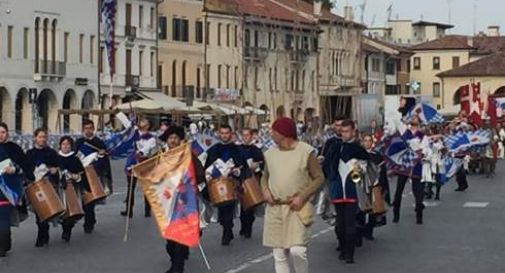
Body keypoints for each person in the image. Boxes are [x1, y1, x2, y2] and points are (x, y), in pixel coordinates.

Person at [262, 117, 324, 273]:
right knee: (279, 252)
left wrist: (302, 197)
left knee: (297, 250)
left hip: (297, 207)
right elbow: (265, 176)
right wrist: (265, 190)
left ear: (284, 133)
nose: (271, 134)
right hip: (275, 207)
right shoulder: (269, 154)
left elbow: (319, 178)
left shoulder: (306, 151)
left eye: (274, 131)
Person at [159, 126, 205, 273]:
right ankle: (176, 259)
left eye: (175, 138)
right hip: (167, 203)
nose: (173, 140)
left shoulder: (189, 156)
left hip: (185, 202)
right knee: (170, 241)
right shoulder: (160, 156)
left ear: (180, 140)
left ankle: (178, 268)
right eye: (170, 138)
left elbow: (200, 175)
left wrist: (187, 181)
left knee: (180, 235)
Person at [323, 120, 370, 264]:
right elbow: (327, 166)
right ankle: (342, 248)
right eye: (342, 131)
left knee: (350, 222)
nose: (344, 134)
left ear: (353, 131)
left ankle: (350, 254)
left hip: (351, 190)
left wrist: (360, 167)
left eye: (347, 131)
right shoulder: (334, 147)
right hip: (337, 189)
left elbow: (366, 167)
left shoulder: (358, 149)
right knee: (340, 224)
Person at [204, 125, 251, 246]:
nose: (224, 135)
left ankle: (227, 231)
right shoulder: (214, 149)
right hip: (218, 184)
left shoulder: (237, 149)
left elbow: (243, 166)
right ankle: (227, 228)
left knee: (229, 208)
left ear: (230, 134)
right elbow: (207, 166)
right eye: (222, 133)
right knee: (222, 208)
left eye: (226, 133)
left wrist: (237, 171)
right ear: (219, 134)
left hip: (232, 182)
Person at [0, 123, 34, 257]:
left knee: (3, 219)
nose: (0, 135)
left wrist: (14, 169)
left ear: (7, 133)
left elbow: (25, 167)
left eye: (3, 132)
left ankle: (3, 245)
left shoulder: (14, 149)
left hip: (7, 190)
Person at [75, 119, 112, 233]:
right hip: (81, 175)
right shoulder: (79, 142)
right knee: (82, 200)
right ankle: (89, 218)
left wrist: (98, 162)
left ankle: (89, 223)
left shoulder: (99, 143)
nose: (88, 131)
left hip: (93, 175)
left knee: (90, 201)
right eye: (86, 128)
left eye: (90, 128)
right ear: (83, 129)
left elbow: (105, 160)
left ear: (93, 129)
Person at [26, 128, 60, 247]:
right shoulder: (30, 153)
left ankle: (43, 235)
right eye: (40, 137)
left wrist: (54, 170)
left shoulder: (51, 153)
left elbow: (58, 167)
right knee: (38, 211)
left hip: (48, 185)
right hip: (35, 186)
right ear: (35, 138)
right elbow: (26, 169)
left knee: (48, 209)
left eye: (44, 137)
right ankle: (43, 233)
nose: (42, 139)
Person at [393, 115, 426, 225]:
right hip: (405, 163)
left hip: (416, 164)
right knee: (399, 190)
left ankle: (419, 215)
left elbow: (425, 149)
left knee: (418, 191)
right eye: (412, 118)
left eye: (415, 118)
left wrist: (420, 151)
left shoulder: (422, 136)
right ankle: (396, 214)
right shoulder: (405, 132)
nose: (413, 119)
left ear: (419, 122)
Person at [57, 136, 91, 242]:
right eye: (63, 144)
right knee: (62, 211)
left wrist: (77, 177)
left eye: (68, 144)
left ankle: (67, 231)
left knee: (72, 211)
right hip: (60, 189)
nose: (65, 146)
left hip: (73, 188)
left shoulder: (75, 159)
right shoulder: (55, 157)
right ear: (60, 145)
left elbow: (82, 173)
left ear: (71, 146)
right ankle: (64, 227)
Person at [121, 118, 157, 218]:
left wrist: (140, 152)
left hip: (144, 163)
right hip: (132, 161)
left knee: (146, 187)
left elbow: (148, 148)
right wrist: (118, 112)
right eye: (141, 120)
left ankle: (147, 209)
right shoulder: (134, 132)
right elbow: (127, 123)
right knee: (130, 186)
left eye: (144, 121)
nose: (141, 122)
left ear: (148, 125)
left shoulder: (151, 138)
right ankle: (129, 210)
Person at [238, 128, 265, 238]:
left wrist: (256, 166)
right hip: (240, 180)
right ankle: (244, 226)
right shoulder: (238, 149)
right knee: (242, 207)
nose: (245, 137)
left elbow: (262, 164)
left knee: (250, 206)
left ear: (251, 136)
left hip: (252, 180)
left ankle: (248, 228)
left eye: (247, 135)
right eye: (243, 135)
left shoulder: (256, 150)